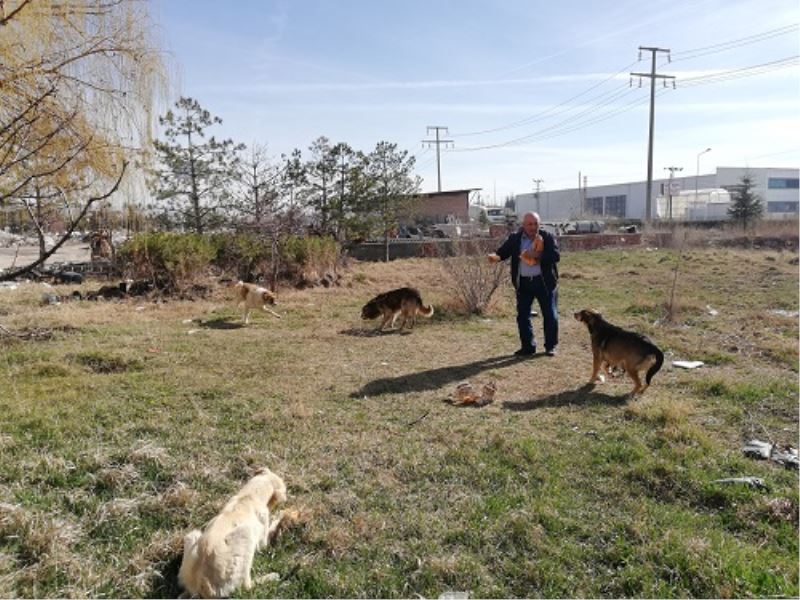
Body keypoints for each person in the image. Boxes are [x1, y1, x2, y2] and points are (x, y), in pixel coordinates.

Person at [488, 211, 560, 357]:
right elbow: (504, 252)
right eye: (530, 224)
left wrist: (538, 255)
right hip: (524, 284)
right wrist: (495, 257)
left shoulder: (546, 237)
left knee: (550, 315)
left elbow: (555, 256)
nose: (533, 227)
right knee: (522, 316)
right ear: (523, 225)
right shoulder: (515, 239)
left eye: (536, 224)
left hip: (544, 283)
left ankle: (550, 346)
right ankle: (528, 347)